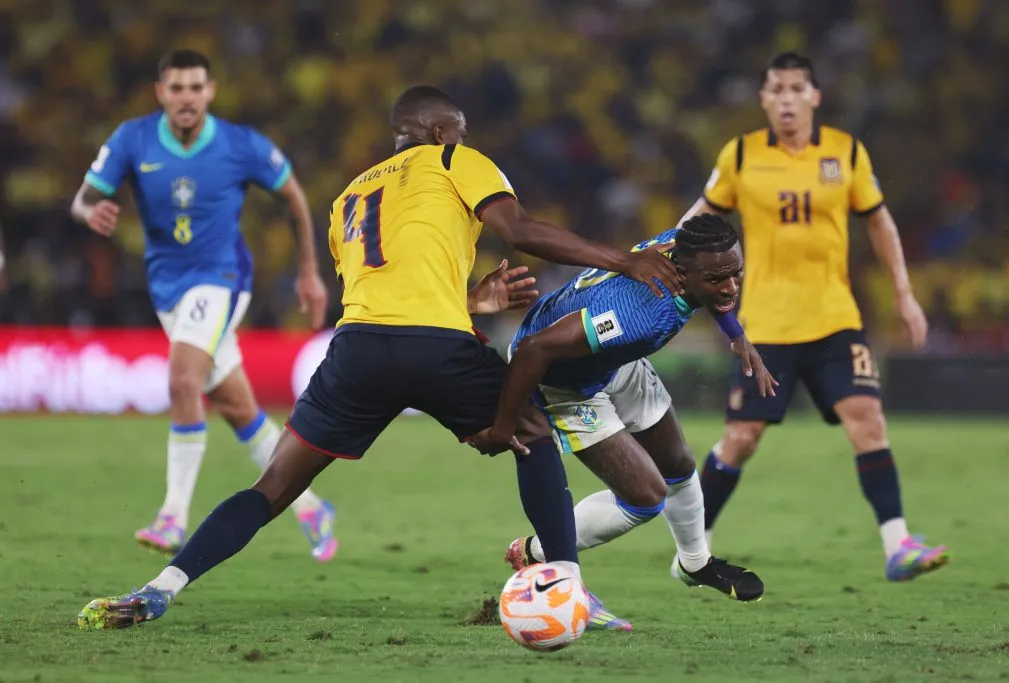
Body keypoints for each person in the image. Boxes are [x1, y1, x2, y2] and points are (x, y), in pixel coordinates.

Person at [77, 84, 683, 630]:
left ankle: (161, 588)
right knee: (528, 432)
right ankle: (566, 587)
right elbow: (518, 231)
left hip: (359, 352)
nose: (464, 140)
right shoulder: (455, 160)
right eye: (461, 132)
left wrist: (471, 299)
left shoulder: (348, 197)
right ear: (443, 132)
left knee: (273, 486)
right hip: (439, 349)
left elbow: (384, 293)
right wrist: (624, 261)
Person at [678, 53, 948, 581]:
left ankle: (899, 545)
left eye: (796, 88)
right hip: (767, 326)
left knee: (867, 421)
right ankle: (694, 550)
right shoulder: (741, 155)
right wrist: (657, 254)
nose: (785, 99)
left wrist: (904, 293)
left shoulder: (845, 153)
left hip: (834, 320)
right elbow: (702, 214)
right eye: (775, 89)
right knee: (741, 438)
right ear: (762, 99)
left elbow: (879, 223)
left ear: (814, 97)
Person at [69, 49, 337, 561]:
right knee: (237, 407)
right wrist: (90, 212)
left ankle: (173, 514)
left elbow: (295, 198)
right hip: (167, 286)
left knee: (182, 379)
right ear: (161, 93)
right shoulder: (133, 139)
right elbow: (82, 197)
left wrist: (308, 271)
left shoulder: (240, 145)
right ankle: (312, 507)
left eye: (195, 87)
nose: (186, 97)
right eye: (176, 88)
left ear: (210, 92)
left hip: (223, 279)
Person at [472, 215, 770, 603]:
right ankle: (537, 552)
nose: (730, 287)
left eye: (737, 273)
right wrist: (503, 426)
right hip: (562, 380)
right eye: (717, 280)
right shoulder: (637, 314)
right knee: (645, 497)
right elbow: (534, 349)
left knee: (678, 464)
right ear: (684, 271)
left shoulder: (686, 248)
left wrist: (737, 335)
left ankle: (695, 563)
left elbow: (717, 281)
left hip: (611, 359)